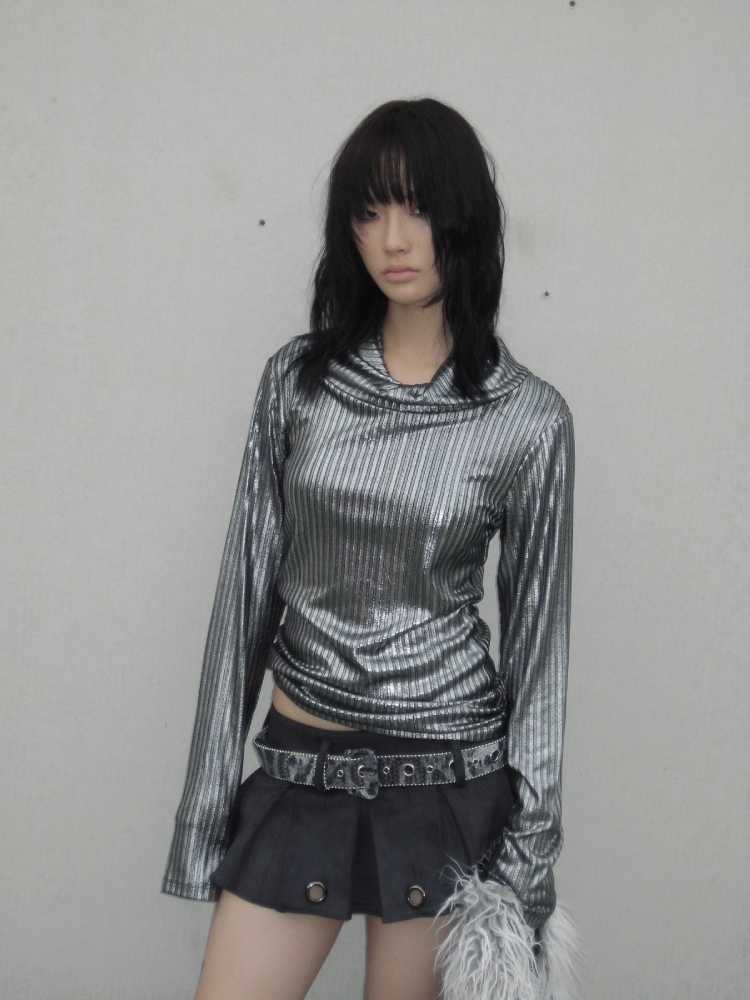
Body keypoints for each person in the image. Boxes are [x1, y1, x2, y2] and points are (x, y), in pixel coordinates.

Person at [161, 97, 583, 1000]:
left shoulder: (527, 419)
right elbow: (241, 603)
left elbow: (540, 656)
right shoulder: (297, 384)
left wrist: (528, 863)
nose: (393, 238)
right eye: (369, 210)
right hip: (300, 771)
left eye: (419, 208)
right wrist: (204, 812)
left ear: (465, 219)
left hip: (445, 790)